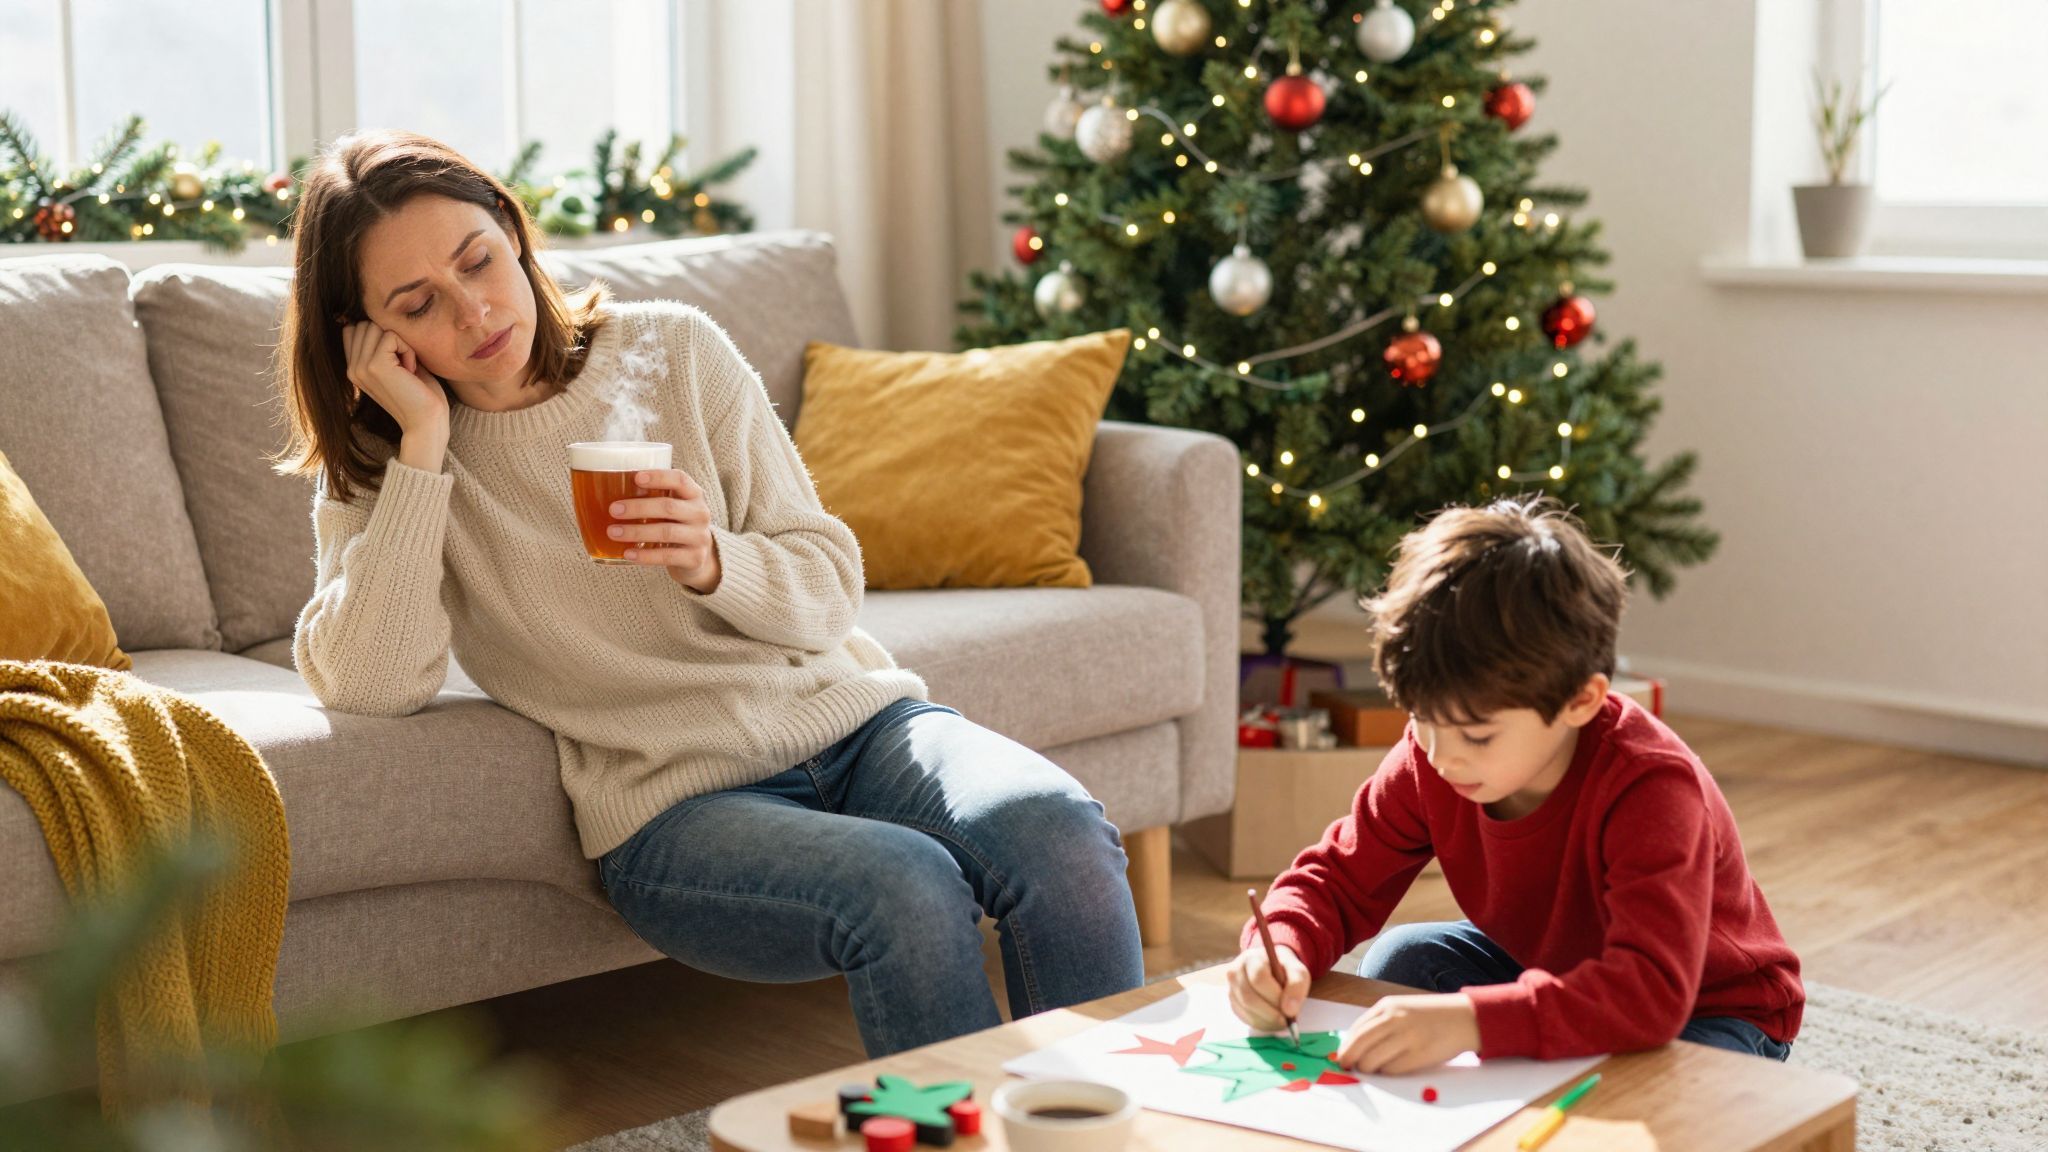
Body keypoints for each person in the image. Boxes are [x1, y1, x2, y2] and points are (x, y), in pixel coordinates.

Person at [274, 129, 1143, 1056]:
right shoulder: (392, 466)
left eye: (478, 261)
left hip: (860, 729)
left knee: (1060, 833)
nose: (476, 310)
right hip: (676, 809)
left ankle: (1116, 1123)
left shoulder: (674, 352)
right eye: (420, 305)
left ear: (512, 232)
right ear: (372, 340)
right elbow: (368, 681)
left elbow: (828, 588)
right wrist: (421, 453)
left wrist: (715, 561)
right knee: (907, 887)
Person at [1228, 496, 1802, 1070]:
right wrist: (1281, 946)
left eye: (1477, 737)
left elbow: (1650, 994)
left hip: (1708, 1009)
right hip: (1557, 970)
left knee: (1640, 1099)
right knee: (1406, 961)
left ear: (1581, 701)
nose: (1443, 758)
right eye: (1423, 721)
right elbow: (1338, 880)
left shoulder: (1650, 787)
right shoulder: (1431, 756)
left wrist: (1475, 1022)